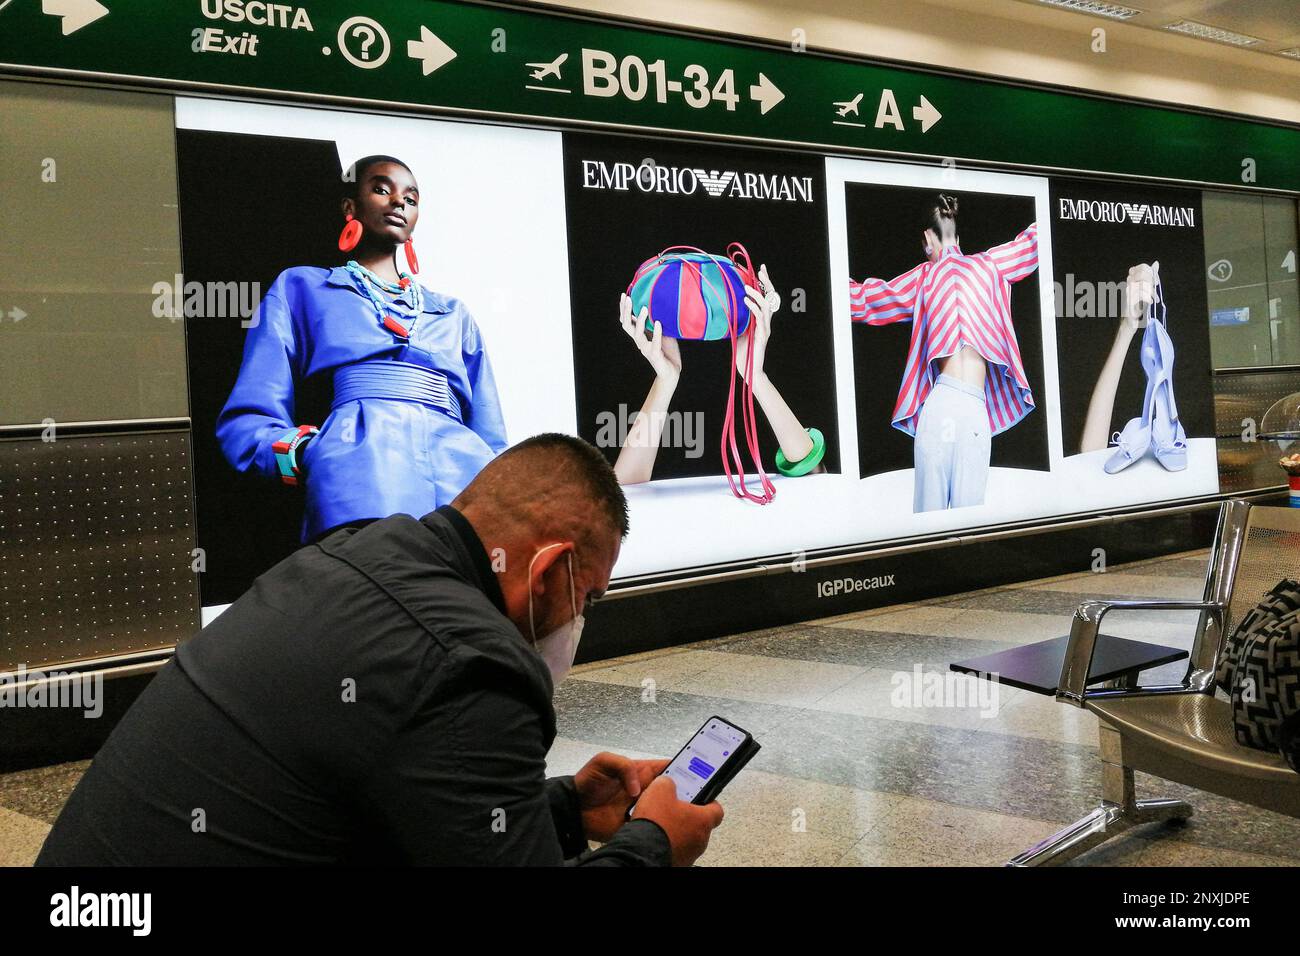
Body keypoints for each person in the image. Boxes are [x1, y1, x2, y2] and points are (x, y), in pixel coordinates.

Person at [36, 435, 724, 866]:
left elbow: (395, 808)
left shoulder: (347, 557)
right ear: (549, 571)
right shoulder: (477, 663)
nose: (580, 620)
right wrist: (652, 843)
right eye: (589, 597)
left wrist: (564, 811)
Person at [217, 154, 508, 544]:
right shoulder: (302, 288)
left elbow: (491, 437)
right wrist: (311, 454)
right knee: (376, 597)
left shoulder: (453, 314)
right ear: (350, 207)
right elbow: (246, 421)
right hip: (359, 488)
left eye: (411, 198)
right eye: (381, 189)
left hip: (464, 498)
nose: (397, 202)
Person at [849, 194, 1038, 512]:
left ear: (926, 238)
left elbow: (862, 300)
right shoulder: (991, 264)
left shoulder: (922, 278)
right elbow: (1035, 241)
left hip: (940, 406)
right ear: (958, 236)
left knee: (928, 521)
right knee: (969, 521)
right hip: (975, 410)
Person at [615, 262, 825, 485]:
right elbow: (625, 498)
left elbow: (814, 478)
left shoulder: (769, 341)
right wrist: (665, 379)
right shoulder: (650, 359)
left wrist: (756, 377)